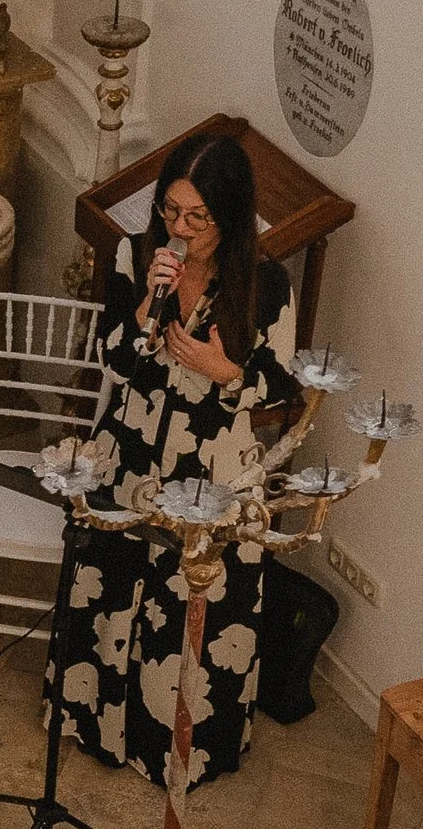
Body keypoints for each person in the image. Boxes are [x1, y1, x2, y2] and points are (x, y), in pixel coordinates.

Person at [47, 134, 300, 788]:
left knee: (192, 617)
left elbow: (281, 384)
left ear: (231, 215)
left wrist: (225, 371)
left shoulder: (269, 284)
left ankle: (177, 749)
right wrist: (143, 311)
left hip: (213, 473)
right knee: (112, 593)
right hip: (128, 456)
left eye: (197, 217)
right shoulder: (136, 255)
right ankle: (96, 723)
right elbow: (115, 359)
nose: (180, 228)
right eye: (170, 211)